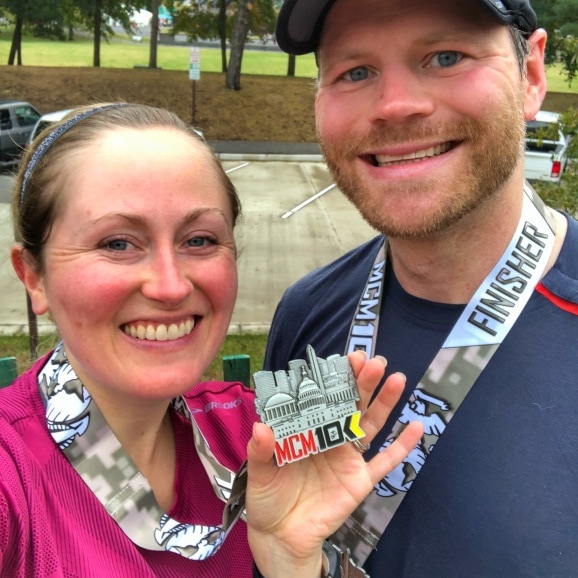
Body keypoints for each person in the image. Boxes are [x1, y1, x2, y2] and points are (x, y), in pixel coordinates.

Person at [1, 102, 422, 577]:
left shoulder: (262, 430)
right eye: (117, 243)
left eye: (199, 240)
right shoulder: (11, 480)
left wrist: (295, 562)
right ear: (33, 276)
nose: (170, 286)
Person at [265, 0, 578, 575]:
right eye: (355, 71)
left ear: (532, 76)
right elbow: (295, 534)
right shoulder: (307, 316)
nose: (395, 105)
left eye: (446, 56)